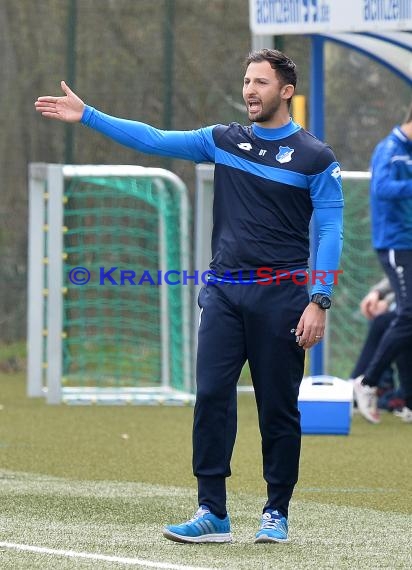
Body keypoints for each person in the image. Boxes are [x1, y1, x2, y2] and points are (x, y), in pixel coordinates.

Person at [35, 49, 343, 544]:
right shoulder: (223, 140)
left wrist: (318, 298)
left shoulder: (315, 157)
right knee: (212, 398)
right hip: (223, 293)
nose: (250, 90)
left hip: (283, 296)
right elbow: (153, 139)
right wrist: (88, 115)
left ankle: (275, 512)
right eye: (246, 80)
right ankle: (212, 511)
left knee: (278, 408)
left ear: (286, 91)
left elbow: (329, 230)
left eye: (261, 82)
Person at [354, 103, 412, 424]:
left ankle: (405, 397)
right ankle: (368, 382)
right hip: (396, 244)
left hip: (409, 243)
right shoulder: (389, 149)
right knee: (407, 313)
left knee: (407, 318)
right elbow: (382, 188)